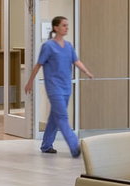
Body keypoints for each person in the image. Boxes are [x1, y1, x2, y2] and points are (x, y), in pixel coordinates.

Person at [24, 15, 94, 157]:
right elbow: (38, 65)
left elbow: (76, 61)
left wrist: (87, 72)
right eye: (64, 25)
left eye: (67, 25)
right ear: (56, 28)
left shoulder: (68, 46)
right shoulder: (48, 46)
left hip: (66, 87)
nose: (66, 28)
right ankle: (75, 147)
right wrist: (30, 82)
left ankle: (46, 145)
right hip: (54, 87)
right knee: (62, 116)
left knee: (55, 117)